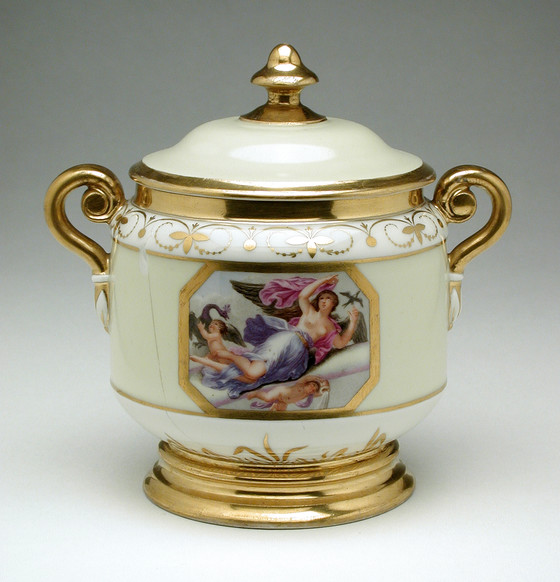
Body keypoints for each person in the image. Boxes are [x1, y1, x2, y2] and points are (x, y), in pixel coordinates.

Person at [197, 275, 360, 399]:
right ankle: (229, 356)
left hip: (297, 354)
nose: (324, 301)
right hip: (286, 340)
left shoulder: (330, 326)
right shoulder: (309, 311)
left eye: (328, 299)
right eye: (322, 298)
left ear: (333, 304)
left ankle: (223, 361)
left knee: (256, 379)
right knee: (255, 372)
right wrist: (324, 280)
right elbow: (303, 295)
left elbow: (340, 343)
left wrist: (353, 323)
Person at [247, 375, 330, 411]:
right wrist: (318, 379)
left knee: (280, 412)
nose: (312, 388)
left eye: (314, 390)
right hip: (280, 392)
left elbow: (320, 393)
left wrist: (326, 388)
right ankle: (255, 393)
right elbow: (306, 378)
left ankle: (274, 407)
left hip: (284, 401)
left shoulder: (307, 395)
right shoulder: (300, 384)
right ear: (308, 383)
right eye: (313, 385)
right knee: (267, 398)